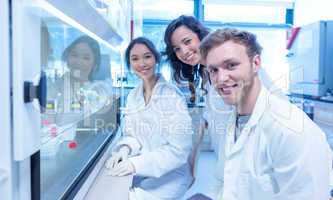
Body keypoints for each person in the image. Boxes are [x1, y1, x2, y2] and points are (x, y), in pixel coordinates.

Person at [199, 28, 332, 200]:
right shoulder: (236, 120)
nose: (221, 78)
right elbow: (228, 182)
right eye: (213, 70)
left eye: (231, 65)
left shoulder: (290, 129)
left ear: (256, 63)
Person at [105, 37, 193, 200]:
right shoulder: (133, 96)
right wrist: (126, 149)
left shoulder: (171, 96)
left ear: (156, 59)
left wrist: (135, 164)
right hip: (142, 172)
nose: (142, 63)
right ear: (130, 64)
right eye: (135, 58)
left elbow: (178, 150)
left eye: (147, 56)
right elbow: (132, 135)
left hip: (170, 176)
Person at [164, 15, 231, 197]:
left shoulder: (225, 67)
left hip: (246, 167)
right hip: (228, 166)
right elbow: (206, 121)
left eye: (187, 41)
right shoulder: (207, 74)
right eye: (177, 49)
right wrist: (191, 166)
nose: (184, 51)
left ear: (200, 35)